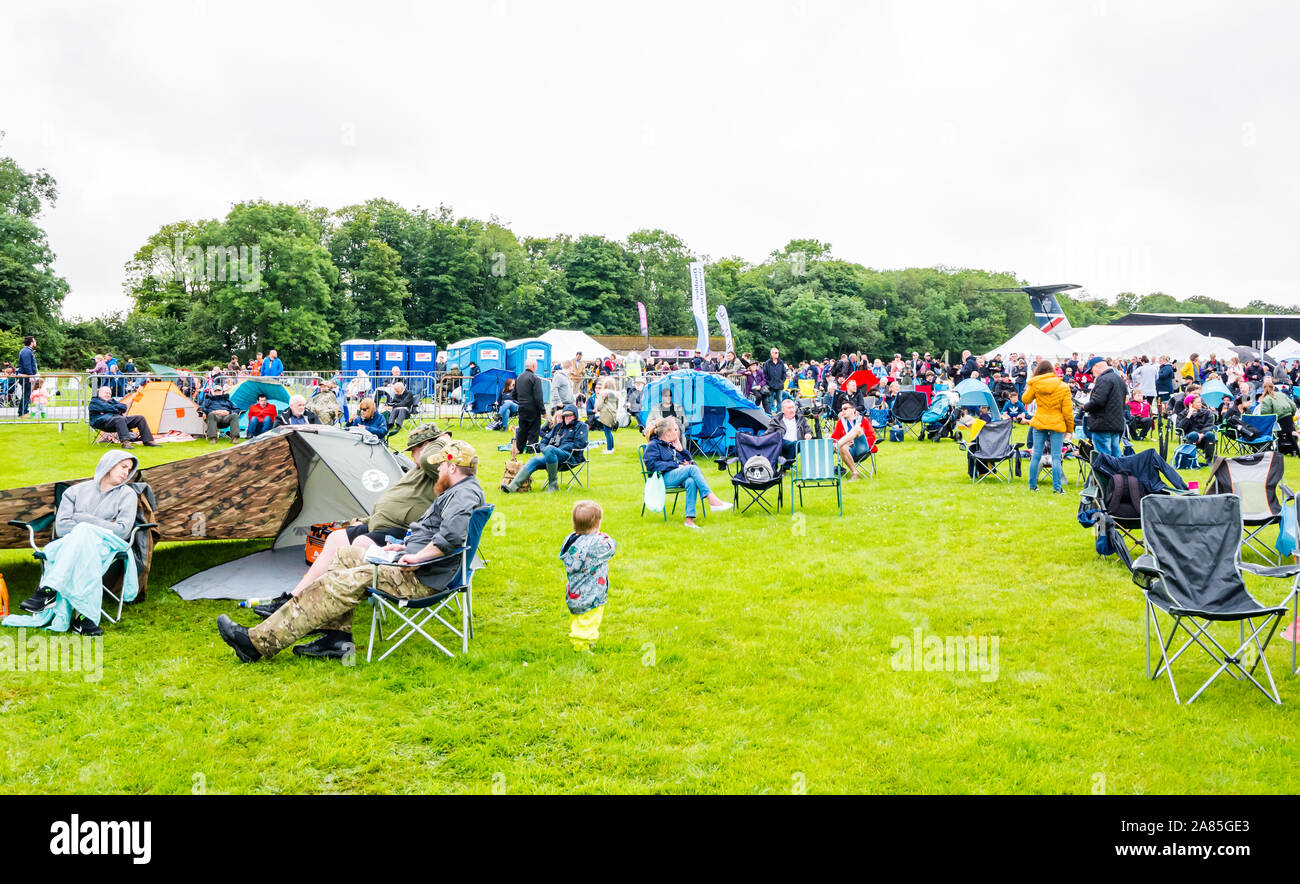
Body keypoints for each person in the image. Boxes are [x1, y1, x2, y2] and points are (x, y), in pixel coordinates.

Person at [218, 440, 486, 662]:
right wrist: (404, 546)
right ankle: (337, 638)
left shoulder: (463, 494)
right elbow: (437, 532)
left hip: (419, 578)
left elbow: (450, 537)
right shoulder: (459, 491)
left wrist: (415, 556)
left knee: (338, 582)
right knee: (344, 554)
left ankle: (257, 642)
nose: (437, 471)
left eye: (441, 467)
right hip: (414, 566)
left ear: (452, 467)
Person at [253, 424, 454, 620]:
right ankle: (292, 598)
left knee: (357, 548)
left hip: (402, 534)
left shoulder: (438, 467)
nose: (411, 455)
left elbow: (428, 460)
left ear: (428, 445)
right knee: (335, 538)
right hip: (380, 525)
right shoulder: (421, 469)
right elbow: (398, 502)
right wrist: (364, 521)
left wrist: (441, 441)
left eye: (415, 449)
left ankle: (316, 610)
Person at [9, 450, 143, 636]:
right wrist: (103, 524)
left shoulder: (127, 495)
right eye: (123, 467)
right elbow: (62, 529)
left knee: (83, 530)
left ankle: (48, 591)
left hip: (108, 545)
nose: (126, 473)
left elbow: (122, 531)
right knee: (83, 549)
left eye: (129, 469)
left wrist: (82, 519)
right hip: (70, 545)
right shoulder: (75, 492)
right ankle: (83, 619)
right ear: (109, 464)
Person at [641, 417, 732, 528]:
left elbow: (690, 461)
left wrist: (681, 450)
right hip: (661, 478)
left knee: (690, 481)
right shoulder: (654, 445)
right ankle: (712, 500)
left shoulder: (671, 444)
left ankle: (689, 520)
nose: (677, 431)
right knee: (692, 469)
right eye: (675, 429)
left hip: (675, 476)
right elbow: (651, 465)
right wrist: (675, 465)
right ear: (668, 432)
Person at [560, 500, 616, 653]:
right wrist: (599, 532)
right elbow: (612, 546)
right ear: (598, 523)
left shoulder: (571, 540)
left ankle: (585, 640)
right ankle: (581, 646)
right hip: (592, 593)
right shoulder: (597, 544)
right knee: (589, 620)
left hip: (574, 592)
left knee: (579, 619)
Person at [502, 404, 588, 493]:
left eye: (570, 415)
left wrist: (557, 448)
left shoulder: (581, 426)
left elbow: (580, 444)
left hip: (571, 456)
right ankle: (512, 487)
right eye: (565, 416)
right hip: (552, 454)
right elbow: (544, 440)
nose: (567, 418)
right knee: (534, 460)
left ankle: (553, 485)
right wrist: (544, 449)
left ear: (575, 416)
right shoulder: (559, 426)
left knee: (550, 449)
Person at [1022, 360, 1074, 494]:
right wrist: (1070, 429)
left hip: (1039, 421)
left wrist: (1031, 384)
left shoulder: (1035, 385)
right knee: (1056, 457)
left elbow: (1025, 400)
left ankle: (1032, 486)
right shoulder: (1063, 386)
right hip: (1057, 423)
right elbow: (1068, 412)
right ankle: (1057, 488)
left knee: (1036, 455)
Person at [88, 385, 159, 449]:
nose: (108, 395)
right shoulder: (95, 402)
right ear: (99, 393)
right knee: (119, 418)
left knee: (140, 418)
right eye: (106, 393)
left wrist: (112, 408)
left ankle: (148, 441)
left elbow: (124, 407)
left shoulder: (111, 401)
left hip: (118, 421)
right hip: (103, 423)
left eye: (109, 393)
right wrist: (115, 409)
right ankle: (125, 443)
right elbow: (109, 408)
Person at [1083, 358, 1126, 457]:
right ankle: (1120, 473)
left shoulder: (1103, 379)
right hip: (1116, 423)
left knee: (1103, 459)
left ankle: (1106, 473)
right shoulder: (1118, 379)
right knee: (1116, 456)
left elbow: (1098, 401)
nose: (1092, 374)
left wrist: (1085, 406)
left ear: (1096, 366)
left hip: (1102, 424)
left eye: (1091, 371)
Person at [830, 399, 877, 480]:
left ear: (853, 409)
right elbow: (834, 438)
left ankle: (836, 446)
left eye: (845, 408)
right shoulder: (840, 422)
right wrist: (846, 442)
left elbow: (872, 437)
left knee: (857, 429)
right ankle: (854, 473)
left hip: (862, 448)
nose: (843, 411)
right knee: (842, 446)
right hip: (848, 451)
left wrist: (854, 439)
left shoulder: (863, 420)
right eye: (841, 409)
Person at [514, 358, 546, 453]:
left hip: (522, 407)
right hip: (533, 408)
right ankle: (530, 449)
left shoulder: (519, 377)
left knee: (522, 429)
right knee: (534, 429)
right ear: (533, 366)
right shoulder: (535, 379)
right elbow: (538, 397)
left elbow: (514, 394)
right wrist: (543, 411)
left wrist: (521, 401)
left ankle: (519, 449)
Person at [1257, 379, 1297, 455]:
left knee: (1280, 435)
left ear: (1263, 389)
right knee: (1289, 436)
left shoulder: (1266, 399)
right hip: (1288, 417)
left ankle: (1278, 451)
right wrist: (1292, 415)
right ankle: (1294, 451)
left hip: (1280, 419)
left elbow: (1265, 413)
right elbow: (1293, 406)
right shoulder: (1282, 395)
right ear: (1274, 387)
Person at [771, 397, 814, 462]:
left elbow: (808, 429)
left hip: (798, 443)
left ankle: (785, 464)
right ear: (783, 410)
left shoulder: (800, 418)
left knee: (796, 444)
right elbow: (769, 433)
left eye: (793, 407)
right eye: (789, 408)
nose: (792, 410)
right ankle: (785, 465)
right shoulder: (776, 419)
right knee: (793, 444)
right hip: (782, 443)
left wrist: (808, 434)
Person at [1177, 395, 1217, 462]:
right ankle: (1191, 460)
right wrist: (1188, 415)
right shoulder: (1182, 414)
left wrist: (1201, 434)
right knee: (1193, 435)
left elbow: (1209, 425)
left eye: (1200, 402)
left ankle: (1209, 461)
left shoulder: (1206, 412)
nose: (1200, 404)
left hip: (1205, 436)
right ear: (1190, 404)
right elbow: (1180, 428)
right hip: (1190, 437)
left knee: (1210, 434)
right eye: (1198, 402)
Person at [594, 377, 619, 453]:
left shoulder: (603, 393)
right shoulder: (615, 394)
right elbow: (616, 405)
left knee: (607, 432)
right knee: (609, 431)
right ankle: (611, 447)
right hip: (613, 413)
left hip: (605, 414)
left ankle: (609, 449)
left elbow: (599, 405)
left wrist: (597, 409)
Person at [17, 335, 37, 417]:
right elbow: (27, 365)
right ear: (31, 343)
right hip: (25, 376)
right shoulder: (26, 351)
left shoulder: (28, 351)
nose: (36, 342)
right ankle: (23, 412)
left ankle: (23, 411)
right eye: (34, 341)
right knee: (26, 394)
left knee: (26, 394)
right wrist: (31, 376)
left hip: (27, 376)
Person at [762, 348, 787, 413]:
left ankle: (779, 413)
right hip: (770, 385)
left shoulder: (781, 362)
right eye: (775, 353)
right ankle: (769, 414)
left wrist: (782, 381)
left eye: (778, 352)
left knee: (780, 400)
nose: (777, 354)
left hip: (779, 385)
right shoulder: (767, 363)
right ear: (771, 353)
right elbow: (765, 374)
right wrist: (768, 382)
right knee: (770, 400)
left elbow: (784, 373)